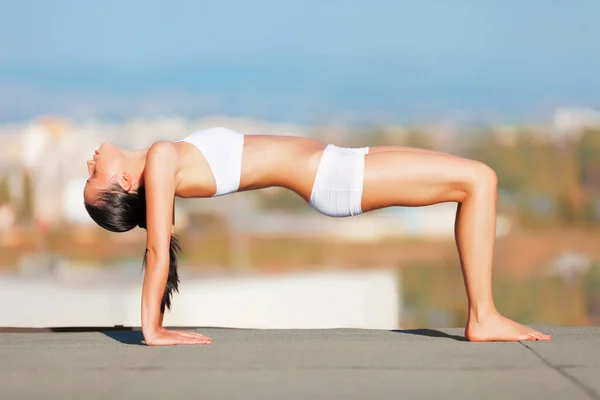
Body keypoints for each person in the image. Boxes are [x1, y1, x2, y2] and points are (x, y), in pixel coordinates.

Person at [83, 126, 551, 346]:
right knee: (480, 179)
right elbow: (158, 247)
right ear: (124, 184)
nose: (90, 163)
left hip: (340, 161)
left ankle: (484, 315)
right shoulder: (162, 160)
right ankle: (483, 316)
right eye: (94, 176)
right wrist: (152, 329)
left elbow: (161, 239)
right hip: (336, 178)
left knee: (475, 180)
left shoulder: (164, 158)